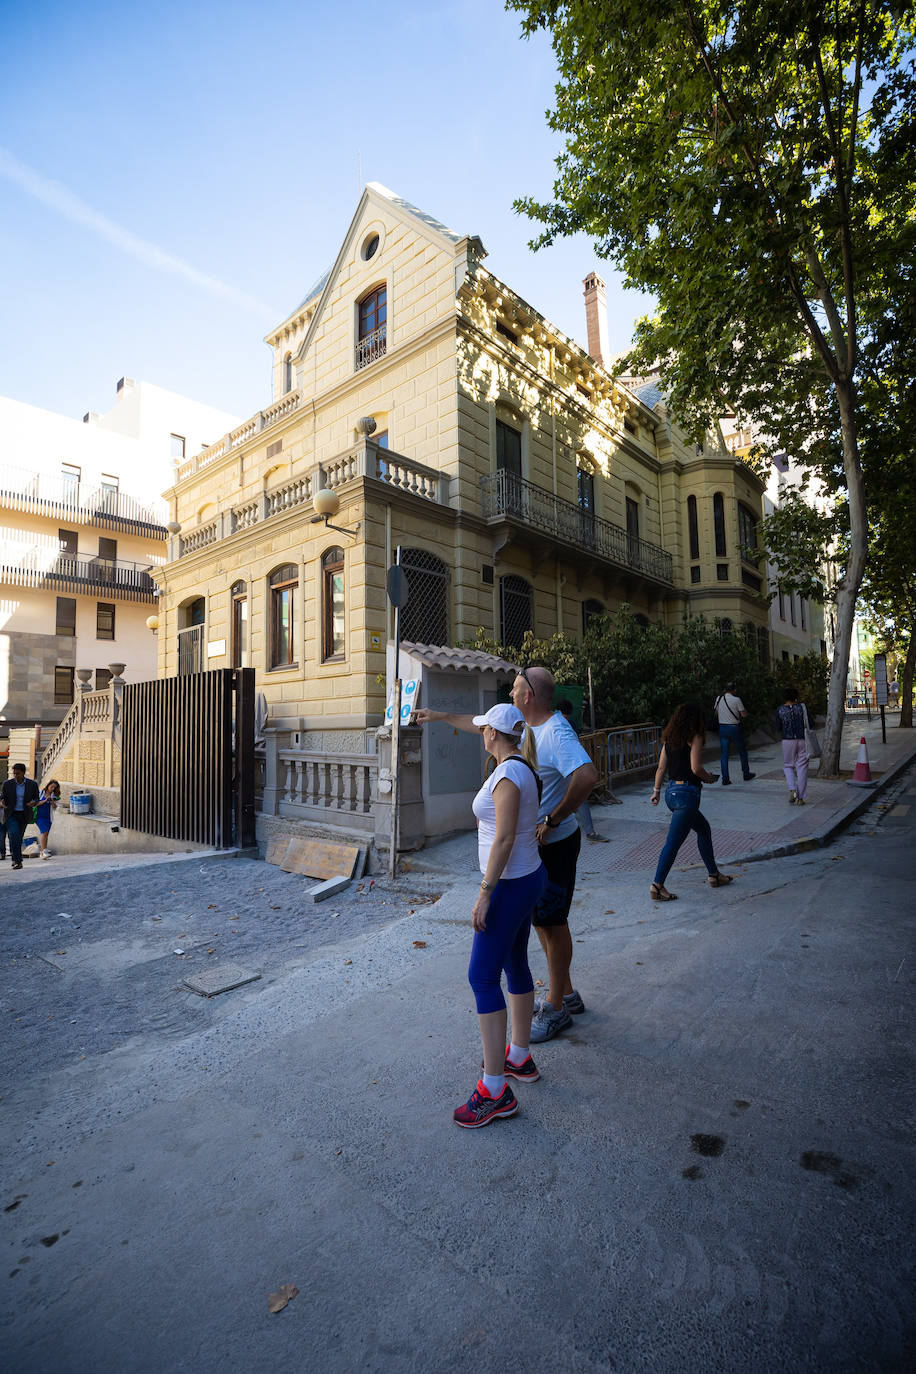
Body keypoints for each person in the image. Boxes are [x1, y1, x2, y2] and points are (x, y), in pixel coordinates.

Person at [417, 665, 598, 1044]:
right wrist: (439, 716)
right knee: (540, 922)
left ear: (528, 695)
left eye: (515, 688)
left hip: (557, 841)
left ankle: (556, 1006)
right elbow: (481, 724)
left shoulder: (555, 732)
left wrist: (553, 818)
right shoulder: (522, 727)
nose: (511, 693)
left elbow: (586, 776)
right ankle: (565, 991)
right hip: (537, 845)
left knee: (553, 921)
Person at [452, 703, 547, 1128]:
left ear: (493, 733)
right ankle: (519, 1057)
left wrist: (485, 894)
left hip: (509, 885)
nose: (479, 733)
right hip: (527, 878)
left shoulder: (508, 774)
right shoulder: (518, 764)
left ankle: (494, 1090)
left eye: (482, 728)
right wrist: (436, 716)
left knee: (481, 977)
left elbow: (505, 837)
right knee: (515, 964)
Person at [649, 702, 733, 900]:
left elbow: (661, 768)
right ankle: (657, 885)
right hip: (687, 795)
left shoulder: (669, 738)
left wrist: (656, 791)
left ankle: (714, 875)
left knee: (703, 829)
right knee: (673, 842)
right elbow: (696, 768)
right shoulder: (694, 737)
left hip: (672, 793)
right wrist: (709, 777)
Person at [557, 699, 607, 842]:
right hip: (569, 767)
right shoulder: (569, 724)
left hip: (562, 769)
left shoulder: (551, 724)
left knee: (574, 798)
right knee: (580, 798)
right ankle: (589, 832)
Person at [714, 682, 756, 785]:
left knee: (724, 754)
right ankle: (746, 774)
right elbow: (743, 714)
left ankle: (725, 779)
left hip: (722, 728)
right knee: (742, 751)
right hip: (734, 728)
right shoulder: (737, 700)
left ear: (724, 690)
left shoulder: (718, 699)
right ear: (734, 690)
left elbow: (716, 712)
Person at [1, 764, 40, 871]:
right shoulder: (7, 784)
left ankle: (15, 859)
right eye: (14, 774)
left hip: (24, 814)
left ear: (23, 773)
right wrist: (1, 802)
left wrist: (34, 802)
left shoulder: (32, 784)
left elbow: (37, 798)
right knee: (14, 835)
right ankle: (18, 861)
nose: (16, 776)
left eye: (18, 774)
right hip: (11, 814)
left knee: (17, 838)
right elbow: (2, 796)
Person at [776, 688, 809, 805]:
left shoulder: (780, 710)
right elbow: (811, 723)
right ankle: (800, 798)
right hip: (802, 739)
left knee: (788, 765)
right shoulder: (802, 708)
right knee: (802, 767)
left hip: (787, 740)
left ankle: (792, 790)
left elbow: (778, 728)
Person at [35, 779, 61, 857]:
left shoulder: (55, 796)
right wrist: (45, 800)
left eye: (54, 787)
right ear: (48, 785)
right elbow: (35, 803)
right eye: (51, 786)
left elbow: (55, 807)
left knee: (46, 834)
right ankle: (43, 851)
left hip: (48, 818)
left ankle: (43, 851)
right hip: (39, 816)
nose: (52, 788)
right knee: (44, 832)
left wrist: (52, 800)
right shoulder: (40, 793)